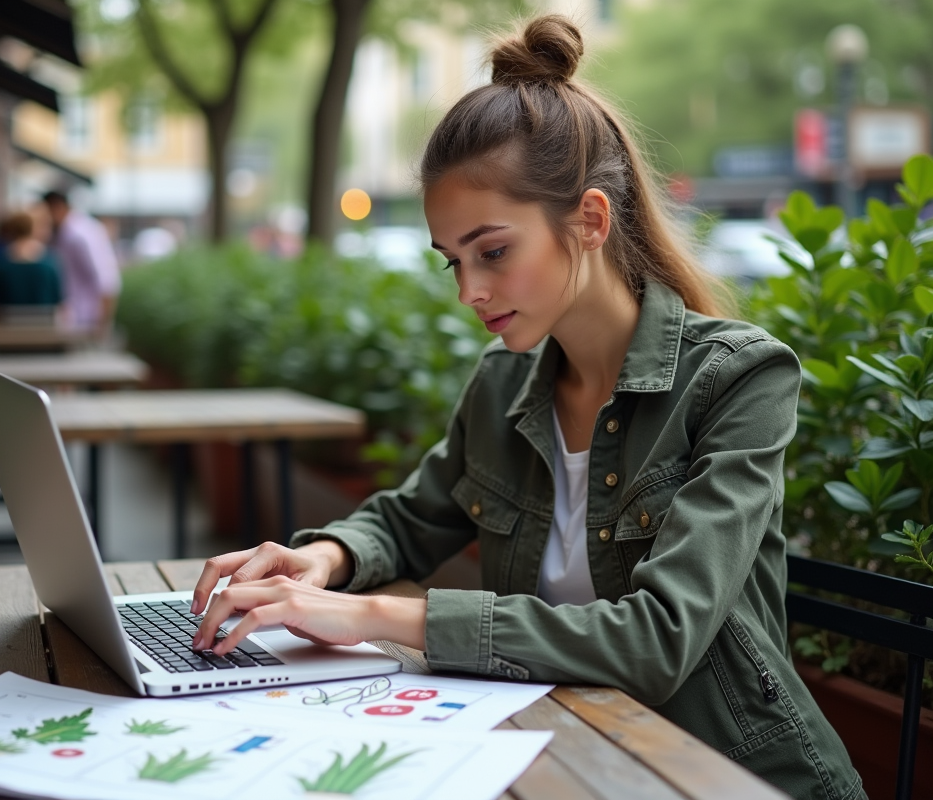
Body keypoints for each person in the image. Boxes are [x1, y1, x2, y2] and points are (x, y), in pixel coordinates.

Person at [188, 15, 862, 800]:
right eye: (454, 262)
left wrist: (368, 616)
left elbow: (657, 640)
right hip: (568, 754)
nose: (469, 291)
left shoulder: (739, 380)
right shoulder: (505, 384)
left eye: (494, 251)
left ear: (591, 220)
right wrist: (326, 560)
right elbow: (411, 519)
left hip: (726, 776)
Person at [42, 190, 121, 334]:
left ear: (57, 207)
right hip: (75, 319)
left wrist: (103, 324)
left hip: (86, 320)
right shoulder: (67, 231)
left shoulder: (79, 234)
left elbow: (106, 280)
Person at [0, 208, 63, 324]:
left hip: (9, 326)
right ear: (33, 228)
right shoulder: (49, 261)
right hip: (43, 325)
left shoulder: (0, 261)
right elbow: (58, 301)